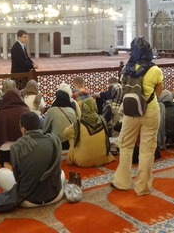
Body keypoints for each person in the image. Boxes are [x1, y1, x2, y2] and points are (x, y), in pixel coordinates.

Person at [111, 36, 163, 196]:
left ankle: (122, 181)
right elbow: (159, 91)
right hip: (150, 111)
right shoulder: (155, 70)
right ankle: (142, 186)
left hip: (130, 111)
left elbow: (124, 88)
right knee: (147, 149)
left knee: (125, 145)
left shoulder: (126, 69)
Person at [0, 112, 64, 208]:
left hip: (28, 200)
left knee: (0, 172)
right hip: (55, 195)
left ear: (23, 128)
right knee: (61, 172)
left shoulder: (17, 146)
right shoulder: (54, 139)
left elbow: (18, 179)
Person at [64, 98, 115, 167]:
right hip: (103, 159)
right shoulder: (102, 119)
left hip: (82, 161)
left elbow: (65, 133)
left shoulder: (78, 124)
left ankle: (75, 157)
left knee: (73, 137)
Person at [0, 88, 30, 169]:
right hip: (22, 152)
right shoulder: (25, 110)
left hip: (4, 153)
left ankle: (6, 164)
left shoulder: (1, 113)